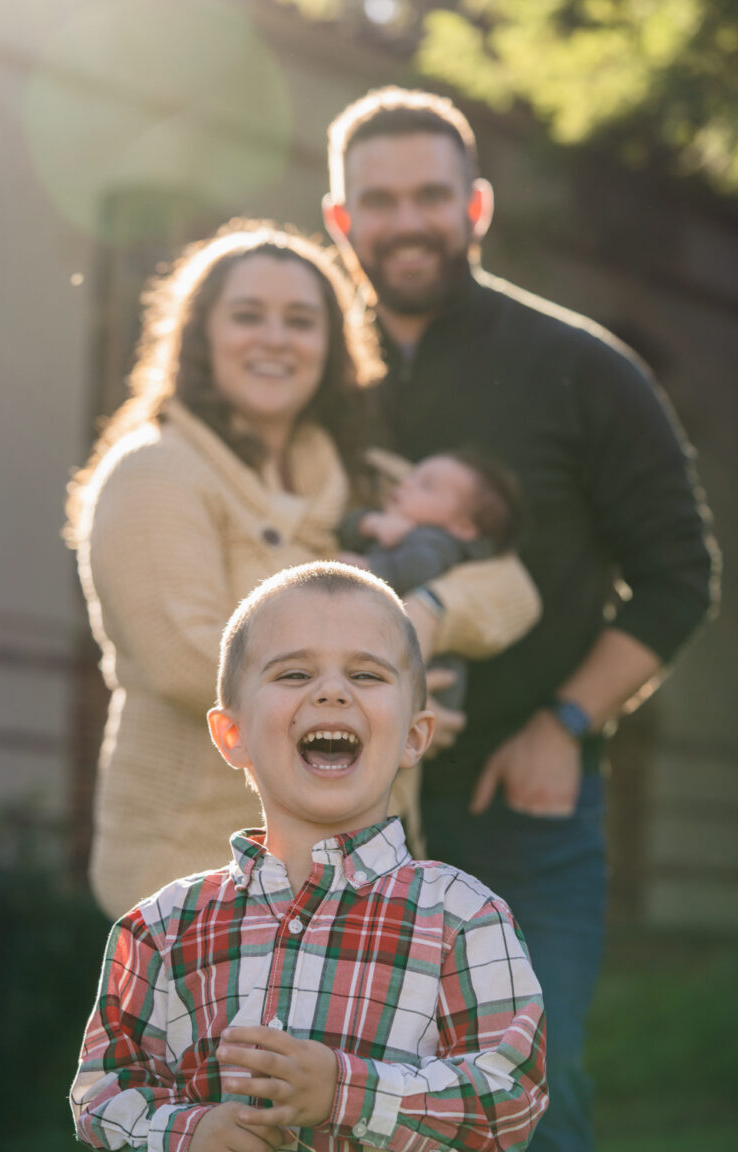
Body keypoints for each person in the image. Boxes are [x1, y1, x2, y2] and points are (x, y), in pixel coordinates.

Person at [323, 87, 719, 1152]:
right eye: (380, 200)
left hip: (522, 810)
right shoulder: (311, 376)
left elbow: (680, 574)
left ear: (477, 207)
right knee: (347, 1117)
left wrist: (568, 723)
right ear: (340, 220)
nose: (408, 220)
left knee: (522, 1101)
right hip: (339, 819)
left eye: (432, 197)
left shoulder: (584, 367)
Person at [65, 220, 540, 921]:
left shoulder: (365, 479)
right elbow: (181, 658)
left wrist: (426, 619)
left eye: (301, 320)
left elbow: (510, 586)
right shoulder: (154, 471)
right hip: (200, 875)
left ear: (331, 344)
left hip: (365, 877)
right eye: (248, 316)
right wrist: (379, 685)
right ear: (200, 336)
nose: (275, 338)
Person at [70, 561, 548, 1152]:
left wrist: (344, 1093)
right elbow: (103, 1090)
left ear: (414, 736)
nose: (331, 690)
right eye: (294, 673)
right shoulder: (160, 929)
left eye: (366, 675)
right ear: (232, 735)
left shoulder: (463, 918)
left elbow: (510, 1098)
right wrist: (192, 1134)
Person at [338, 450, 521, 708]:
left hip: (431, 669)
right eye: (411, 477)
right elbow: (345, 530)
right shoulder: (401, 525)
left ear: (463, 527)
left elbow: (417, 570)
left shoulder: (437, 543)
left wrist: (369, 567)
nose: (405, 484)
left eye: (426, 486)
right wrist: (371, 523)